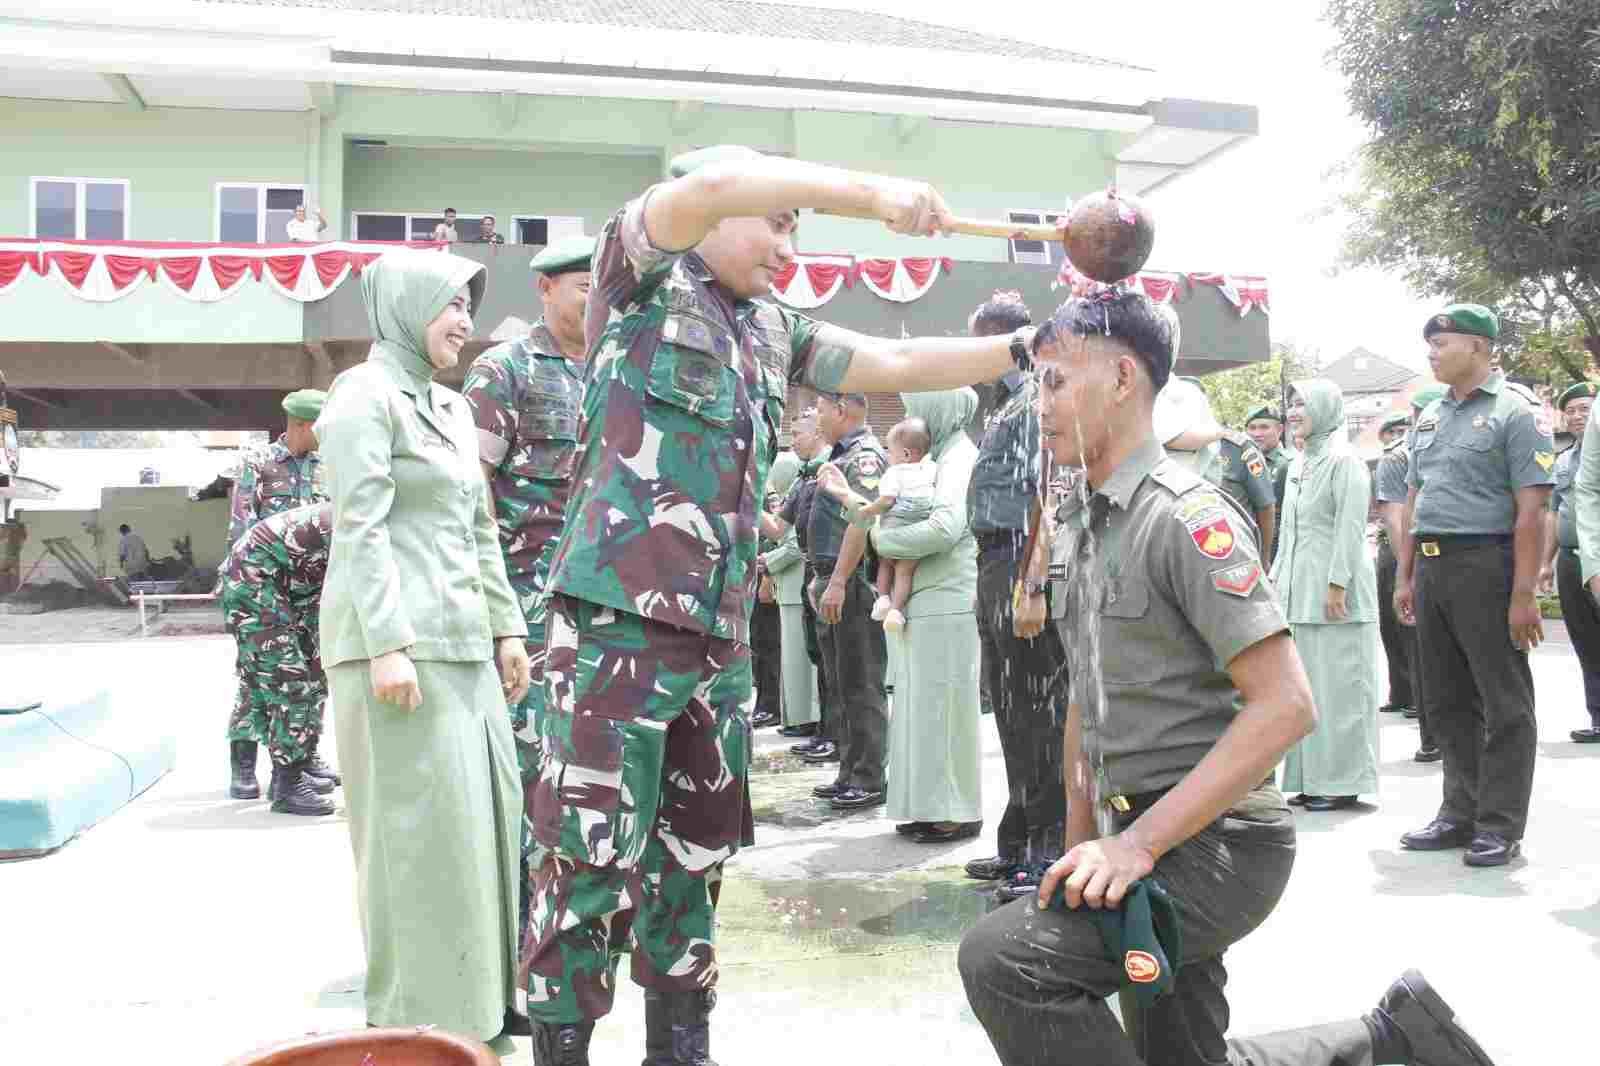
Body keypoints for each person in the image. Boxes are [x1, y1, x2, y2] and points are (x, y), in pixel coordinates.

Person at [523, 143, 1038, 1065]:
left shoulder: (770, 327)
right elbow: (720, 184)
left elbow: (896, 357)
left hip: (714, 647)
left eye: (798, 228)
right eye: (780, 222)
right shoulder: (636, 275)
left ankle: (681, 1049)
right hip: (613, 635)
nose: (788, 248)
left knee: (693, 862)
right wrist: (874, 194)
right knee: (585, 867)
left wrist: (1024, 348)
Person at [959, 289, 1499, 1066]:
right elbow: (1086, 694)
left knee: (1007, 961)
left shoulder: (1186, 516)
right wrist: (1080, 849)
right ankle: (1391, 1040)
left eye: (1054, 380)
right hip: (1133, 829)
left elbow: (1286, 707)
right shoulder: (1085, 517)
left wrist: (1137, 846)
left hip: (1216, 843)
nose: (1037, 404)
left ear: (1120, 380)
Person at [315, 248, 533, 1044]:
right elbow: (360, 526)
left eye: (469, 309)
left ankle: (484, 1000)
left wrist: (506, 626)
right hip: (397, 651)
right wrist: (387, 644)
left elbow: (478, 527)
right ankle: (417, 1015)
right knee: (417, 838)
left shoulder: (452, 407)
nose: (464, 323)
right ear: (403, 307)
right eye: (449, 305)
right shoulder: (362, 398)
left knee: (487, 825)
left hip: (466, 644)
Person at [461, 233, 594, 948]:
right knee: (530, 767)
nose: (595, 301)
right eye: (582, 288)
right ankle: (517, 933)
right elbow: (470, 489)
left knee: (592, 768)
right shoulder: (505, 369)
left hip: (603, 607)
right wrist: (495, 609)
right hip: (528, 607)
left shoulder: (614, 369)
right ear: (545, 289)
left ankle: (578, 916)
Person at [1394, 304, 1554, 868]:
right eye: (1430, 344)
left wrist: (1525, 591)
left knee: (1503, 699)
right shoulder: (1432, 415)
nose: (1433, 353)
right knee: (1445, 699)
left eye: (1443, 343)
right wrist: (1406, 574)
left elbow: (1531, 510)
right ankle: (1459, 811)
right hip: (1434, 566)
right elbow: (1416, 495)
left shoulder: (1517, 414)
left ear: (1481, 348)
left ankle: (1500, 824)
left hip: (1488, 564)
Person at [963, 293, 1068, 899]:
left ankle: (1047, 849)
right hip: (993, 561)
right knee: (1010, 714)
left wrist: (1032, 584)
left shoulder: (1034, 402)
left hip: (1019, 563)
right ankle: (1019, 840)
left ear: (1004, 341)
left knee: (1037, 715)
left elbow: (1045, 495)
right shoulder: (1006, 406)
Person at [858, 387, 983, 843]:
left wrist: (883, 541)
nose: (914, 416)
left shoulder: (957, 458)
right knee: (920, 709)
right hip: (925, 599)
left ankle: (956, 811)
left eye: (919, 407)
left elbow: (945, 527)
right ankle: (927, 808)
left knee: (945, 710)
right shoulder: (940, 454)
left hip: (946, 596)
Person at [1272, 379, 1380, 811]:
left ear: (1325, 408)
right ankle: (1311, 777)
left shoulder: (1344, 460)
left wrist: (1338, 583)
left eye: (1304, 404)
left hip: (1336, 594)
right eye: (1292, 404)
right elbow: (1290, 533)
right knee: (1310, 690)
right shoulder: (1301, 462)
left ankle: (1341, 782)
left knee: (1341, 690)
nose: (1296, 411)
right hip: (1299, 592)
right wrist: (1275, 584)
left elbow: (1350, 528)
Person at [225, 390, 331, 801]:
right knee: (260, 677)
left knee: (311, 675)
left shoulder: (329, 466)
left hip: (312, 586)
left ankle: (300, 761)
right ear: (303, 425)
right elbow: (241, 527)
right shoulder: (259, 463)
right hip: (264, 581)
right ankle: (245, 766)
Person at [220, 502, 337, 816]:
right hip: (254, 580)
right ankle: (287, 784)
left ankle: (295, 767)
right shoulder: (361, 520)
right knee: (287, 679)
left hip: (292, 588)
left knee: (314, 672)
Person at [804, 391, 891, 808]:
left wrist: (837, 580)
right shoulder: (842, 455)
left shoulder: (864, 458)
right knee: (840, 684)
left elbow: (864, 517)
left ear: (842, 410)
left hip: (853, 583)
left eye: (821, 410)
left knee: (861, 684)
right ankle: (849, 770)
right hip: (833, 580)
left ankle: (868, 777)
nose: (817, 417)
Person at [819, 416, 938, 632]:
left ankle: (883, 599)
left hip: (892, 529)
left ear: (905, 454)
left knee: (885, 563)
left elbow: (883, 502)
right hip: (916, 533)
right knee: (904, 573)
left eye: (890, 453)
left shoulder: (892, 471)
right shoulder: (931, 468)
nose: (888, 458)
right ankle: (896, 609)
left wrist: (868, 510)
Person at [1157, 378, 1278, 561]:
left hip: (1231, 552)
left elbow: (1265, 505)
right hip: (1176, 553)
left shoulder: (1236, 448)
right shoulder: (1159, 447)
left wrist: (1264, 557)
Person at [1542, 380, 1600, 742]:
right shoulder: (1562, 460)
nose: (1578, 415)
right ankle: (1598, 717)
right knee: (1585, 640)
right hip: (1570, 560)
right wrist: (1545, 563)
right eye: (1572, 410)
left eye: (1585, 407)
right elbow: (1554, 513)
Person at [760, 416, 823, 740]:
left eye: (798, 434)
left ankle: (809, 719)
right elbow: (779, 528)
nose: (793, 439)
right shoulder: (800, 483)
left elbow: (795, 544)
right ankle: (798, 717)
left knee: (804, 661)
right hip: (795, 584)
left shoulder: (819, 475)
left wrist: (767, 563)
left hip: (806, 579)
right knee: (793, 659)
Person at [1245, 403, 1293, 563]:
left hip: (1278, 546)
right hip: (1248, 541)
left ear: (1280, 430)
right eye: (1252, 428)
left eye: (1264, 427)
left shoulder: (1288, 464)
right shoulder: (1242, 463)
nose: (1257, 434)